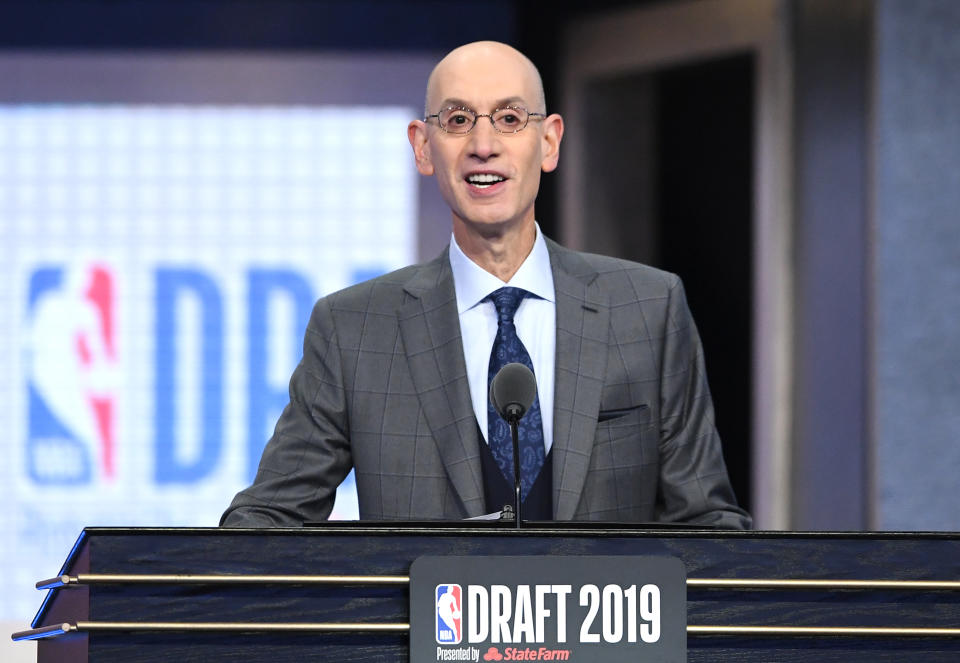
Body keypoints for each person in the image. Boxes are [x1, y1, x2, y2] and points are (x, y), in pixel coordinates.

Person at [221, 41, 751, 529]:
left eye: (509, 118)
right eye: (457, 120)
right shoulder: (355, 329)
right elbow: (267, 522)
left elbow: (706, 526)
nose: (483, 144)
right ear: (423, 148)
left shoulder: (648, 310)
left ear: (548, 142)